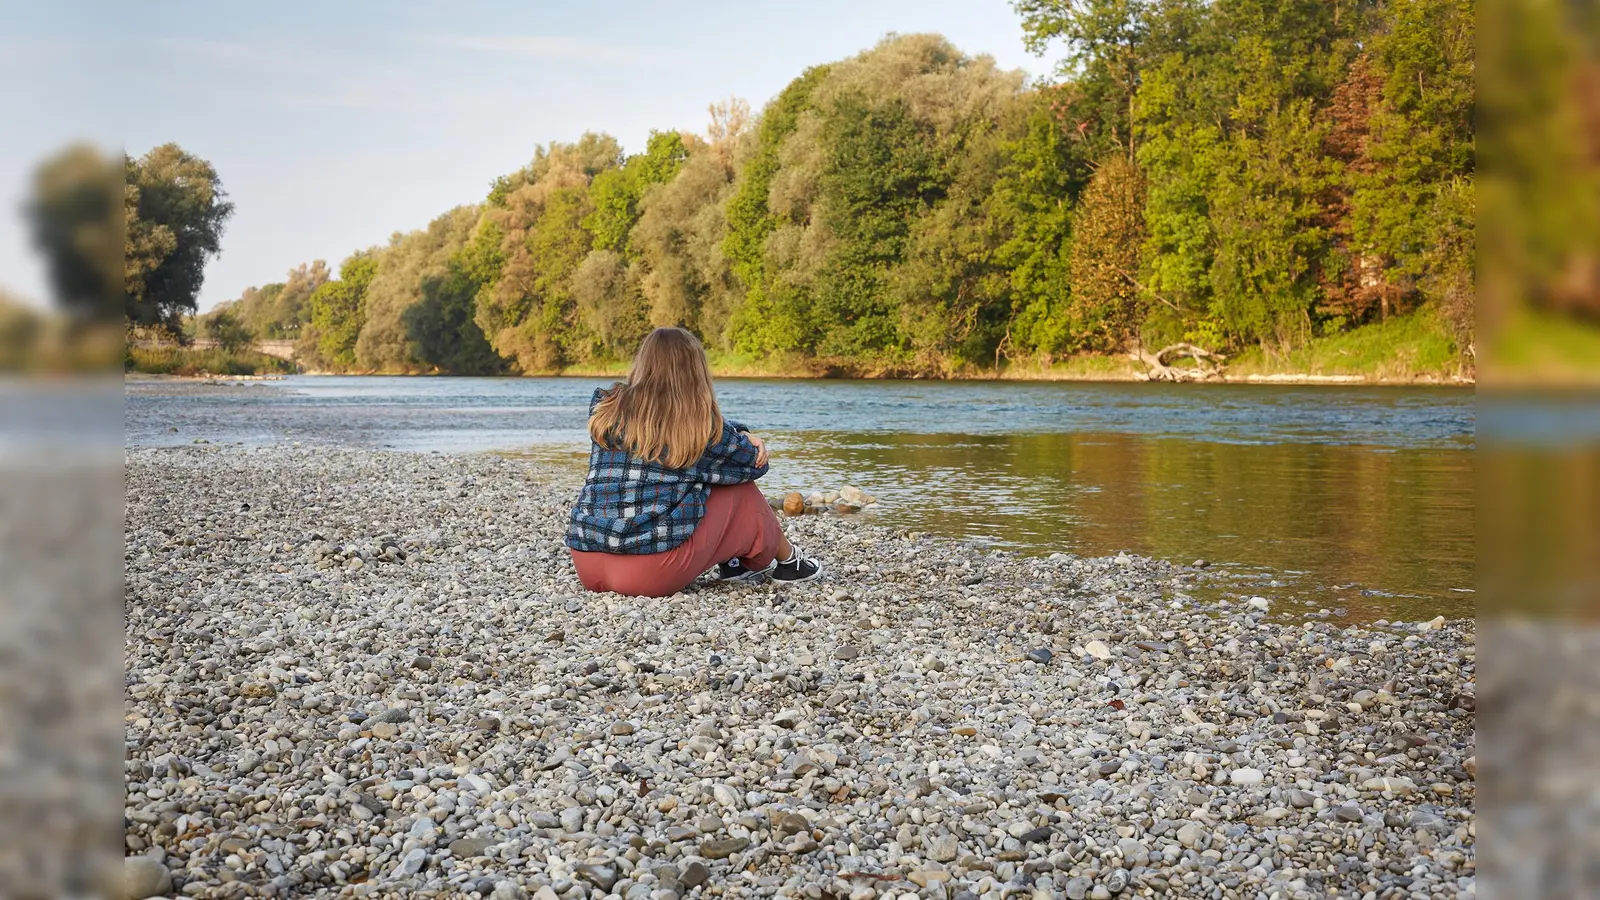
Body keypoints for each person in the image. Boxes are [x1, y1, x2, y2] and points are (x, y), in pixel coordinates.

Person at [566, 327, 823, 597]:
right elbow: (752, 465)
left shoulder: (606, 406)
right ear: (695, 369)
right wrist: (746, 435)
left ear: (642, 362)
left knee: (702, 479)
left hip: (588, 560)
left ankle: (736, 562)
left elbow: (662, 425)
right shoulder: (698, 426)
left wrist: (734, 431)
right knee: (738, 489)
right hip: (648, 573)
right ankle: (788, 561)